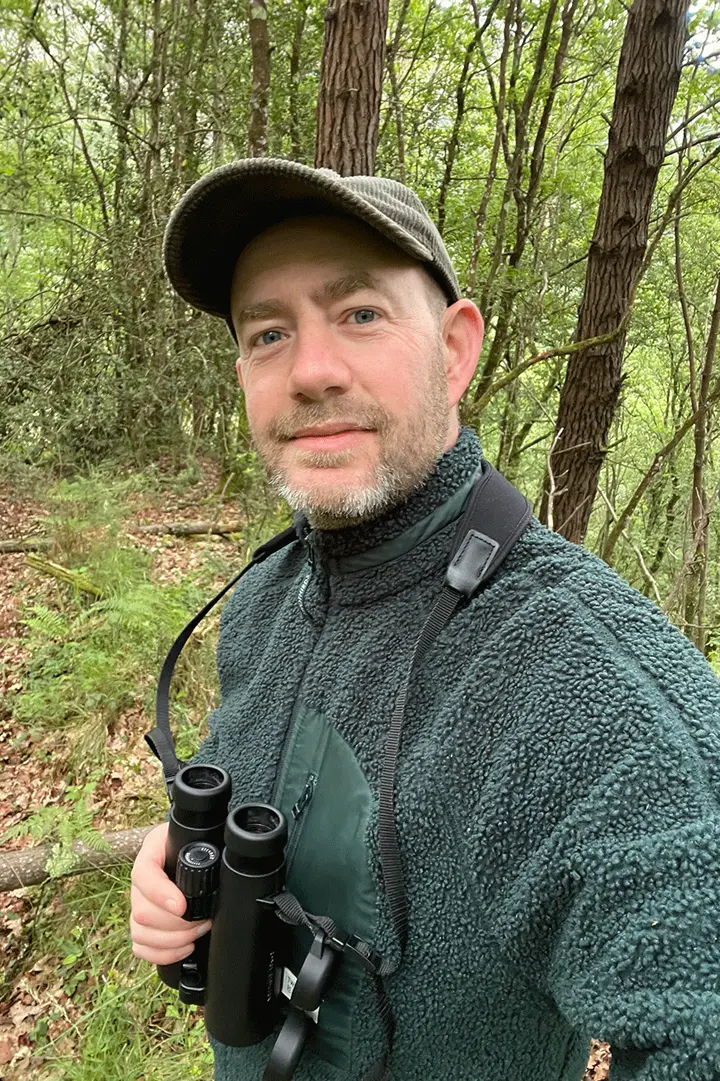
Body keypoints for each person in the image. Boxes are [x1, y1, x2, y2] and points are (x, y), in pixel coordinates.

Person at [130, 159, 720, 1081]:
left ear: (454, 347)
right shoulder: (263, 599)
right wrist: (175, 870)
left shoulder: (581, 682)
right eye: (269, 332)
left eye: (360, 313)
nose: (312, 371)